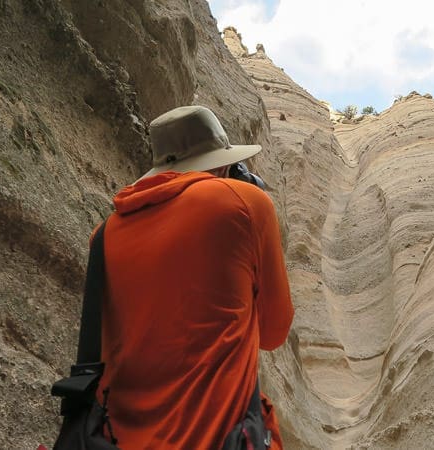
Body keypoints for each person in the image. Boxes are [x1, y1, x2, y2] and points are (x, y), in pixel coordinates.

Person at [96, 105, 294, 449]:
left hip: (115, 439)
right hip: (213, 437)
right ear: (220, 162)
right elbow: (274, 331)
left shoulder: (104, 234)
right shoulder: (244, 202)